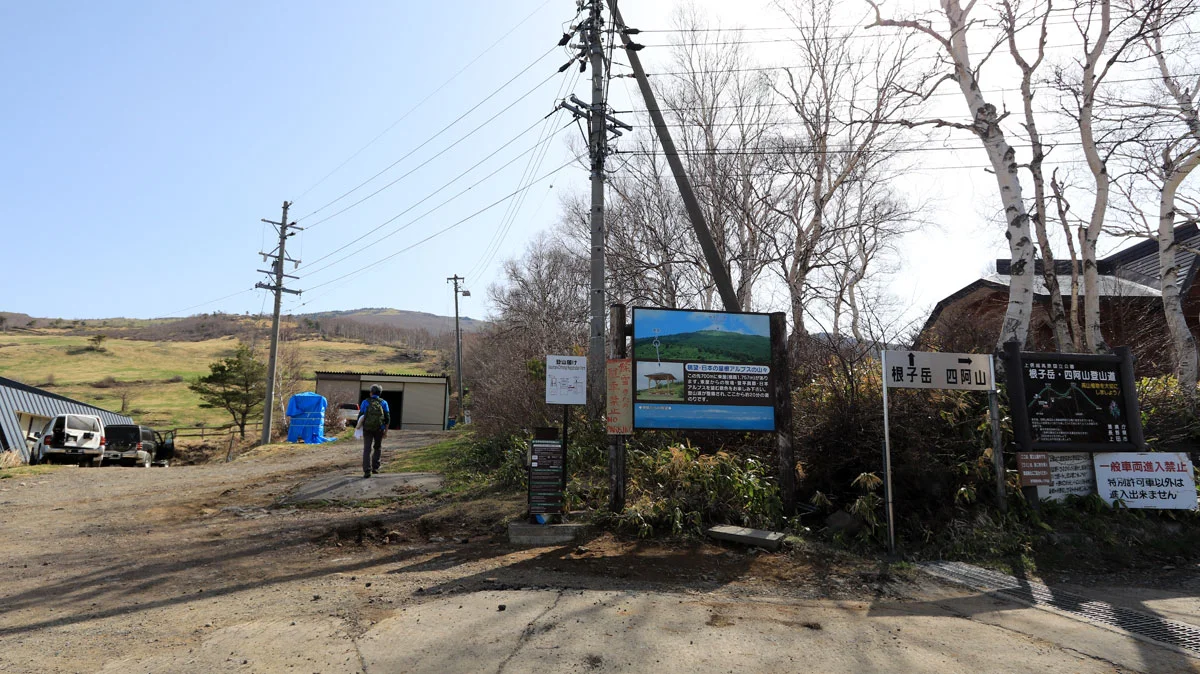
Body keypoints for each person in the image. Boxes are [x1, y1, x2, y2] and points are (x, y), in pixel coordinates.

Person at [358, 385, 391, 478]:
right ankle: (375, 468)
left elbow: (360, 417)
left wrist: (359, 429)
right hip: (379, 429)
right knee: (377, 447)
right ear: (380, 393)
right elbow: (387, 418)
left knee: (367, 449)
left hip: (367, 429)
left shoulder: (365, 402)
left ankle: (367, 471)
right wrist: (386, 431)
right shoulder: (384, 403)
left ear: (371, 392)